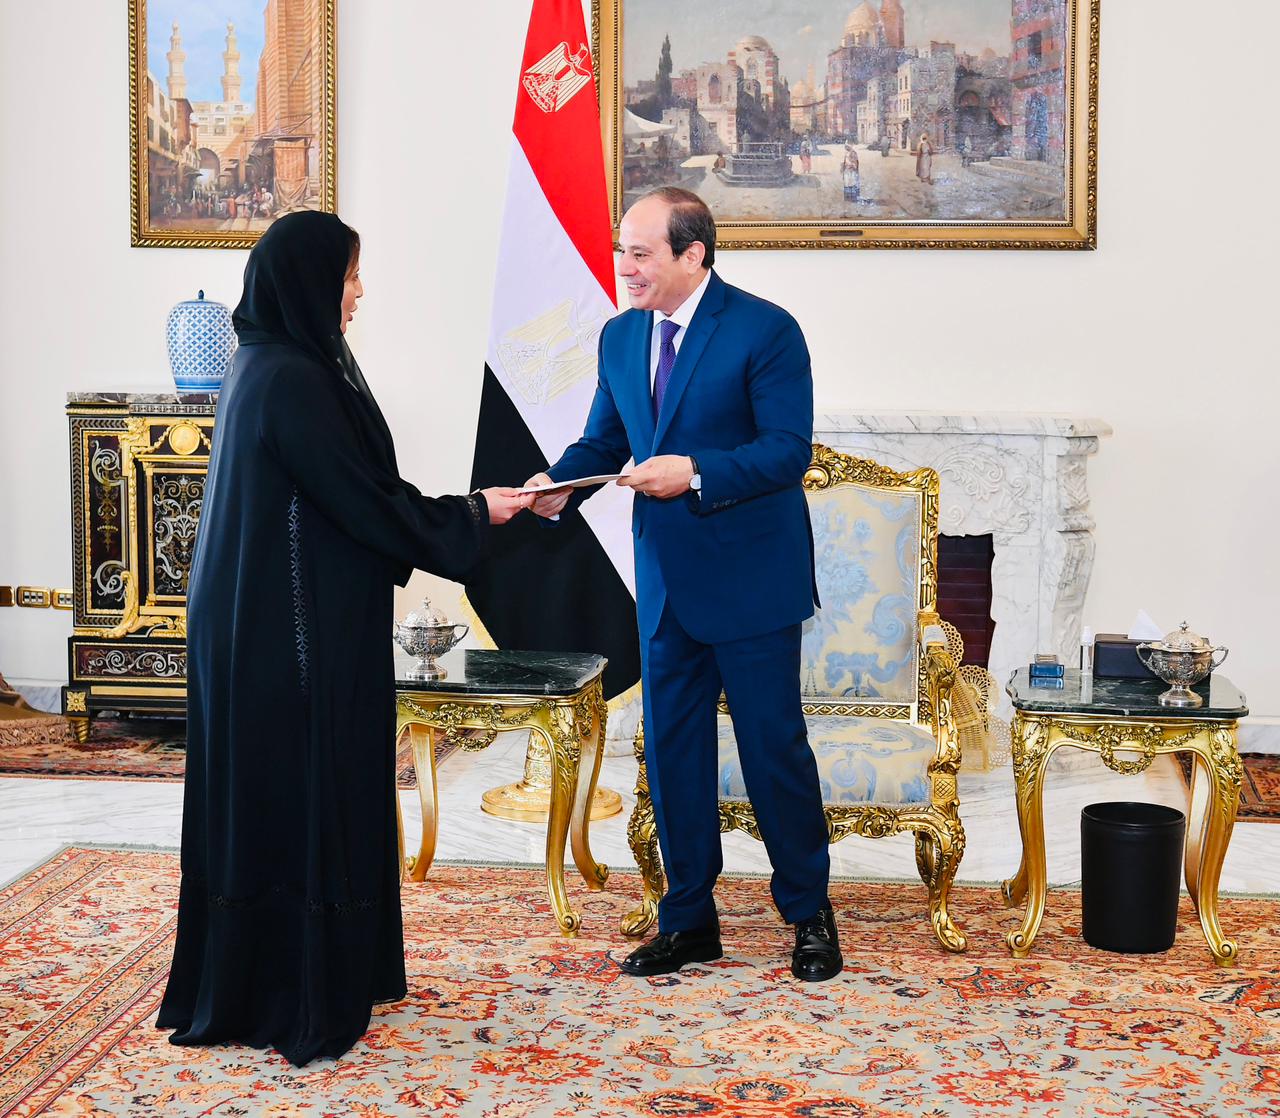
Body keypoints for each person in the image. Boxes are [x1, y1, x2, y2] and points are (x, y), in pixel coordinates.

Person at [156, 211, 530, 1065]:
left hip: (267, 624)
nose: (359, 292)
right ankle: (293, 990)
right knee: (303, 789)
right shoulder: (290, 378)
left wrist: (468, 512)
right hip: (288, 640)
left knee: (282, 794)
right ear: (309, 282)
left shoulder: (269, 363)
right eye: (350, 276)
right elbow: (364, 501)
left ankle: (288, 975)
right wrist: (475, 514)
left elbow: (352, 493)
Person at [524, 187, 841, 983]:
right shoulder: (620, 335)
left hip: (752, 583)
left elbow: (787, 451)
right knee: (672, 755)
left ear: (692, 254)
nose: (624, 267)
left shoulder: (766, 330)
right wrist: (559, 484)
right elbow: (604, 440)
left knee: (773, 751)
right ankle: (689, 920)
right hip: (665, 583)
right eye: (621, 251)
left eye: (640, 253)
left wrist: (694, 472)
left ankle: (809, 913)